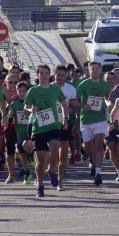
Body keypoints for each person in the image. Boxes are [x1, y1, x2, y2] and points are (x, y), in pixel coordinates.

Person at [25, 64, 68, 197]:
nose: (43, 75)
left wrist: (65, 118)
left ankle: (52, 171)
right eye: (41, 73)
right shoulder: (32, 91)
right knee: (41, 160)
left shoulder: (55, 89)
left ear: (50, 75)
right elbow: (25, 109)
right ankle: (40, 184)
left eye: (46, 73)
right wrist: (30, 110)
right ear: (37, 75)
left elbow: (64, 103)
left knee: (55, 146)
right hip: (38, 128)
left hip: (53, 126)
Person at [76, 62, 112, 186]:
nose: (95, 71)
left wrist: (108, 103)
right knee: (89, 149)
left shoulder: (104, 84)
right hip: (86, 120)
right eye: (92, 69)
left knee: (99, 145)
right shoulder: (84, 84)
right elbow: (74, 101)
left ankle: (98, 173)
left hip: (100, 119)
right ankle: (89, 157)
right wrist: (83, 106)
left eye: (97, 69)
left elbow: (107, 97)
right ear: (89, 71)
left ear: (100, 70)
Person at [54, 65, 79, 190]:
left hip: (64, 123)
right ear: (54, 75)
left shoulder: (70, 89)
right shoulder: (49, 88)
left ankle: (60, 181)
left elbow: (74, 106)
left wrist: (70, 109)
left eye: (63, 75)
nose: (60, 77)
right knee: (49, 152)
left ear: (66, 76)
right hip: (50, 124)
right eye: (58, 75)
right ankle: (43, 173)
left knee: (63, 153)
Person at [8, 81, 33, 184]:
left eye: (24, 91)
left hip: (32, 132)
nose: (22, 93)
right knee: (22, 151)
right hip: (20, 132)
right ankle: (27, 171)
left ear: (28, 92)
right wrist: (10, 116)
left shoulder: (32, 103)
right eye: (20, 91)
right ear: (17, 92)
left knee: (32, 153)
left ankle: (34, 169)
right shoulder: (15, 104)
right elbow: (10, 117)